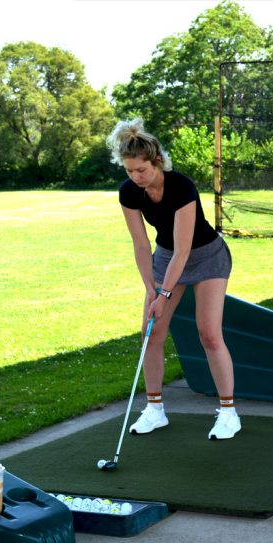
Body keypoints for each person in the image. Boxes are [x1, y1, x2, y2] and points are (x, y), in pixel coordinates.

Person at [108, 117, 241, 441]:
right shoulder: (129, 193)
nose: (136, 177)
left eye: (141, 170)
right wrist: (151, 290)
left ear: (157, 162)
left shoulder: (181, 186)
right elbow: (141, 245)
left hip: (206, 256)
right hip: (165, 257)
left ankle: (228, 412)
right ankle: (155, 410)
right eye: (129, 171)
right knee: (151, 333)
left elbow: (185, 250)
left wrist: (163, 296)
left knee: (208, 333)